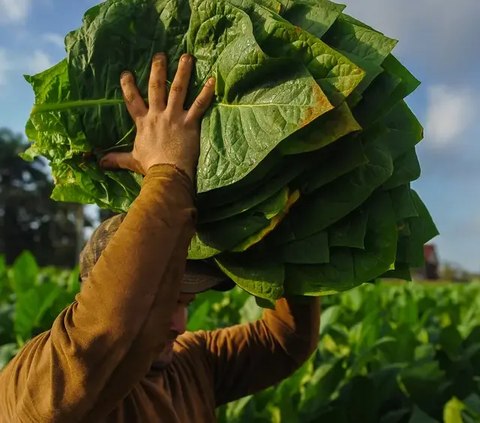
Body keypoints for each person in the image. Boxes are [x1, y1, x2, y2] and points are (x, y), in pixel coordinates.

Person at [0, 53, 321, 423]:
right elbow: (97, 341)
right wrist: (168, 173)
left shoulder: (190, 365)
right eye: (166, 300)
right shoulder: (41, 382)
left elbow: (285, 341)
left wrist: (285, 222)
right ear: (96, 290)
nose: (179, 324)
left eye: (184, 302)